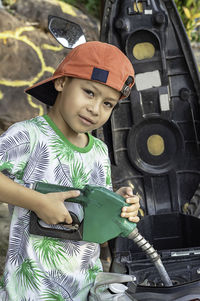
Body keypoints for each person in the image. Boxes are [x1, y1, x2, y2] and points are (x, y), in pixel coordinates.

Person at [0, 41, 140, 300]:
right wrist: (38, 202)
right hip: (32, 291)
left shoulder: (98, 151)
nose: (95, 109)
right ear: (62, 82)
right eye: (89, 92)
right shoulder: (29, 136)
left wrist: (119, 201)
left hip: (85, 289)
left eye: (108, 104)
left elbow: (94, 205)